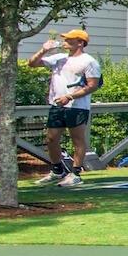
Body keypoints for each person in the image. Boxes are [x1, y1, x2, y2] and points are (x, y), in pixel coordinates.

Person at [28, 28, 103, 187]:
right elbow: (32, 64)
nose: (65, 42)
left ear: (80, 43)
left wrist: (69, 96)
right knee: (51, 138)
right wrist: (44, 50)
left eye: (69, 39)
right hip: (56, 105)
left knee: (77, 140)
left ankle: (75, 174)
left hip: (77, 107)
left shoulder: (89, 61)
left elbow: (93, 86)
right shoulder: (59, 58)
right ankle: (57, 171)